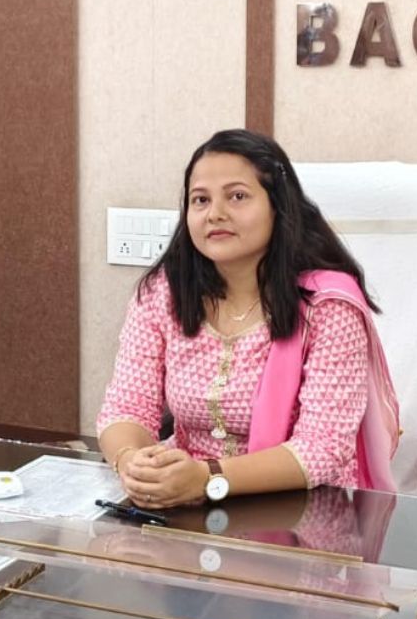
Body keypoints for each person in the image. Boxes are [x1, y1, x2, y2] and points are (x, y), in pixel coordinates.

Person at [96, 129, 400, 509]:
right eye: (200, 199)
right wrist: (133, 463)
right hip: (183, 500)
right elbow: (126, 407)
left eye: (237, 196)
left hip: (300, 510)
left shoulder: (328, 308)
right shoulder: (165, 293)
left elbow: (323, 447)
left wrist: (207, 478)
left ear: (278, 206)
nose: (215, 213)